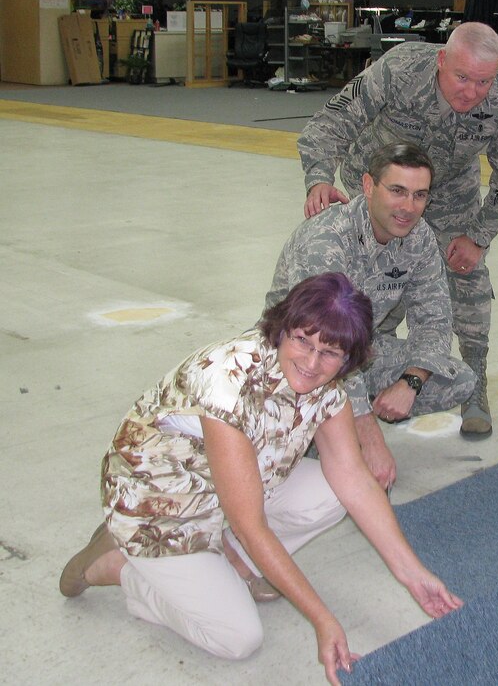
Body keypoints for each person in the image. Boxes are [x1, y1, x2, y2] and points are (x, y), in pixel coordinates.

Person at [59, 274, 462, 686]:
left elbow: (355, 479)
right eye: (303, 341)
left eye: (330, 352)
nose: (311, 362)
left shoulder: (326, 386)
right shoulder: (229, 383)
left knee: (333, 493)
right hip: (160, 505)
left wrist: (414, 574)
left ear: (348, 359)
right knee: (236, 638)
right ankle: (119, 565)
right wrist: (322, 620)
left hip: (228, 490)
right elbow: (252, 526)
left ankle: (227, 560)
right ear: (282, 329)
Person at [297, 21, 498, 438]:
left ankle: (475, 387)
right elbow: (332, 121)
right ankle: (353, 382)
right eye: (462, 77)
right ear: (442, 59)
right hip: (380, 187)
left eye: (483, 82)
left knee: (469, 282)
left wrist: (479, 235)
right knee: (363, 291)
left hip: (450, 196)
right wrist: (319, 178)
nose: (471, 92)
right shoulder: (401, 70)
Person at [267, 142, 477, 488]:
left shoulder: (418, 237)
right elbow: (325, 345)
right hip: (296, 359)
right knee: (313, 425)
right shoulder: (327, 239)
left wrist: (410, 382)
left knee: (456, 379)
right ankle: (320, 434)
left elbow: (435, 319)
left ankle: (332, 430)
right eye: (397, 191)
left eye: (419, 195)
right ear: (368, 186)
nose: (409, 208)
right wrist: (369, 436)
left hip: (356, 353)